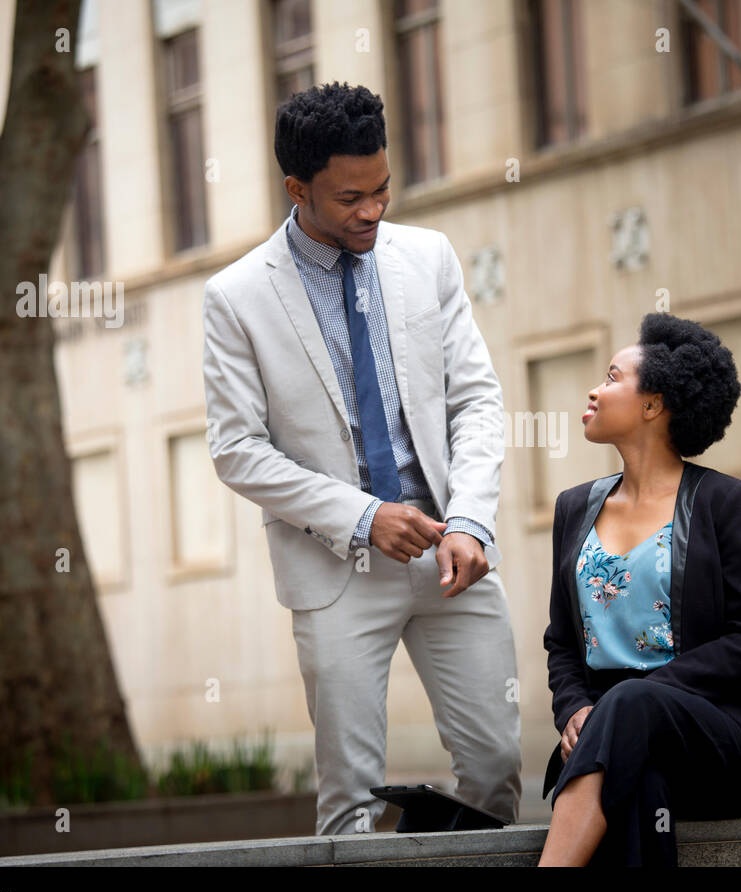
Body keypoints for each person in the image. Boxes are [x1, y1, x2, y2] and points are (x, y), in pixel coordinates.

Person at [201, 82, 521, 835]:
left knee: (496, 766)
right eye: (350, 198)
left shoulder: (428, 258)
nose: (373, 210)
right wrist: (364, 515)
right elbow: (236, 449)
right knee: (349, 799)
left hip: (452, 555)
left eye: (382, 188)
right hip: (335, 571)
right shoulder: (236, 297)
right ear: (297, 188)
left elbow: (475, 399)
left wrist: (471, 519)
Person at [537, 313, 741, 866]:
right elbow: (562, 642)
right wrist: (575, 709)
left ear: (653, 405)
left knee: (634, 708)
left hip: (719, 736)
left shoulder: (726, 503)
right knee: (640, 774)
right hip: (616, 740)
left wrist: (647, 695)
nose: (593, 388)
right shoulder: (573, 509)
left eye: (611, 377)